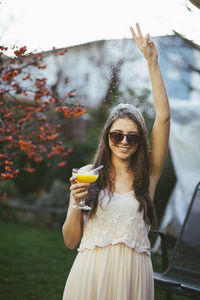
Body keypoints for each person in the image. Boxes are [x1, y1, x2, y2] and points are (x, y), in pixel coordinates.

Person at [62, 23, 170, 300]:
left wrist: (151, 62)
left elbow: (163, 118)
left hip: (133, 277)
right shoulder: (88, 174)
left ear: (140, 143)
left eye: (132, 138)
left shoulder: (149, 175)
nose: (123, 142)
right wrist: (76, 203)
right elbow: (71, 240)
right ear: (107, 137)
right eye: (117, 135)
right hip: (91, 274)